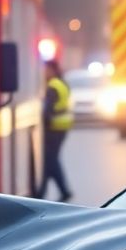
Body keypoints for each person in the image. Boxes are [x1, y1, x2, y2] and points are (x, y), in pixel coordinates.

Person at [38, 59, 74, 202]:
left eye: (46, 70)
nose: (44, 73)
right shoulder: (62, 83)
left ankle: (63, 191)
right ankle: (41, 193)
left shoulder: (53, 86)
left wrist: (42, 124)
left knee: (50, 160)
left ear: (52, 70)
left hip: (53, 128)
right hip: (63, 127)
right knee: (50, 160)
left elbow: (48, 110)